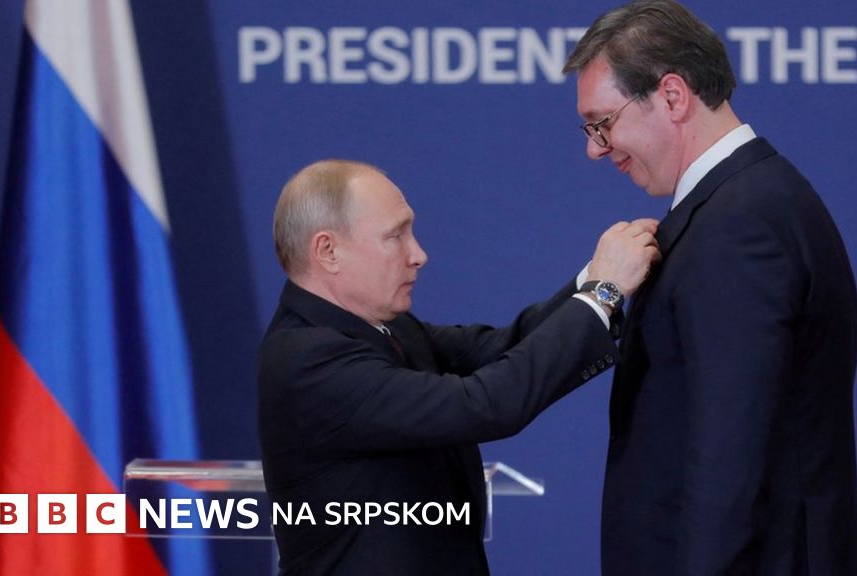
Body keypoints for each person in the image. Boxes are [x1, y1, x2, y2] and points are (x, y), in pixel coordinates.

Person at [563, 1, 857, 574]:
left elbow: (729, 458)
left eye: (603, 123)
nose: (595, 148)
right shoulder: (742, 204)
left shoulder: (738, 225)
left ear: (673, 96)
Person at [258, 159, 659, 575]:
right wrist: (604, 293)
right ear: (328, 251)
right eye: (395, 236)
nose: (419, 255)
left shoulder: (385, 327)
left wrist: (594, 280)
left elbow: (502, 348)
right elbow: (482, 404)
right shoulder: (308, 358)